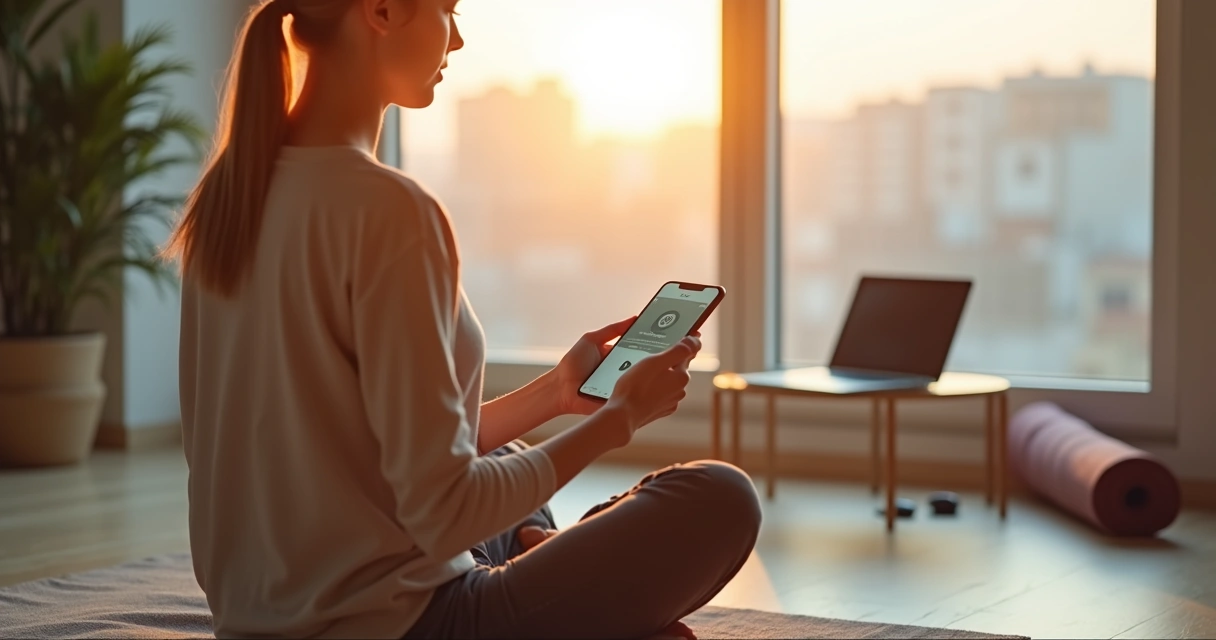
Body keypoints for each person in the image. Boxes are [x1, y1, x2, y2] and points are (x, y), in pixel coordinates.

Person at [162, 0, 761, 638]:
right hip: (407, 625)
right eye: (449, 10)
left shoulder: (228, 198)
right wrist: (620, 418)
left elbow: (369, 449)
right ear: (383, 11)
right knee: (722, 497)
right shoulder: (389, 211)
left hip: (258, 618)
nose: (461, 38)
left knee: (507, 448)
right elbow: (445, 513)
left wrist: (557, 393)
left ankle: (550, 570)